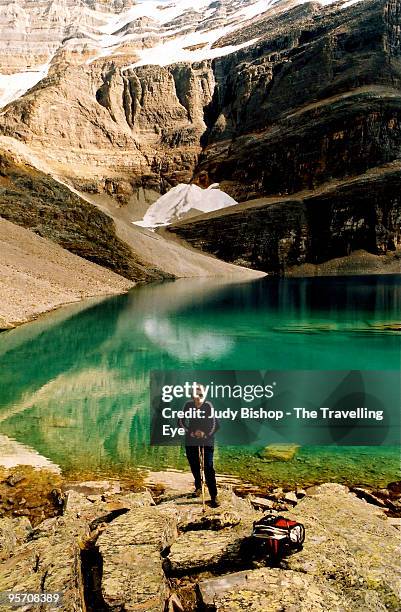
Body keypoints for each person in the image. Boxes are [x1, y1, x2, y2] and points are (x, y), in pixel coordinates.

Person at [178, 384, 219, 507]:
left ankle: (214, 495)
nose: (199, 396)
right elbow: (180, 422)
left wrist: (205, 434)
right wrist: (191, 432)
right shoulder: (187, 405)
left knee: (208, 467)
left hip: (207, 441)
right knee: (194, 465)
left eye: (201, 394)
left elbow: (216, 425)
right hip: (191, 440)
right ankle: (199, 488)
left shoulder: (208, 406)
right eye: (197, 394)